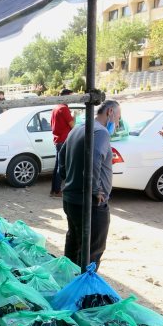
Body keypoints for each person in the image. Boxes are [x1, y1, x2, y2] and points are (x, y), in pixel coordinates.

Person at [59, 99, 121, 268]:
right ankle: (82, 290)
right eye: (117, 118)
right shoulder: (100, 132)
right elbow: (93, 159)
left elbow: (61, 156)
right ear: (109, 112)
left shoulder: (78, 127)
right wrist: (94, 189)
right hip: (90, 204)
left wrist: (66, 177)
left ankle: (69, 283)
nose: (116, 123)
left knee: (74, 243)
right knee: (92, 251)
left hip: (71, 198)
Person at [50, 89, 75, 197]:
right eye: (71, 96)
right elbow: (72, 125)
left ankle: (54, 190)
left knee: (57, 166)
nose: (72, 99)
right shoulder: (64, 109)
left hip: (58, 140)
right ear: (66, 97)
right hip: (64, 140)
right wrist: (74, 115)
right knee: (62, 166)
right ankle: (56, 191)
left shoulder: (56, 107)